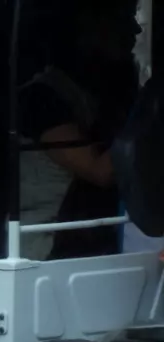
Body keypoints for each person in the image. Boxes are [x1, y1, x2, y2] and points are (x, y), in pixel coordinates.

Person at [18, 0, 141, 260]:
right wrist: (151, 107)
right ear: (88, 25)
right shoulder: (43, 98)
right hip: (45, 252)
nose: (135, 30)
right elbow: (100, 171)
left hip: (97, 241)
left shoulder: (103, 91)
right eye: (122, 17)